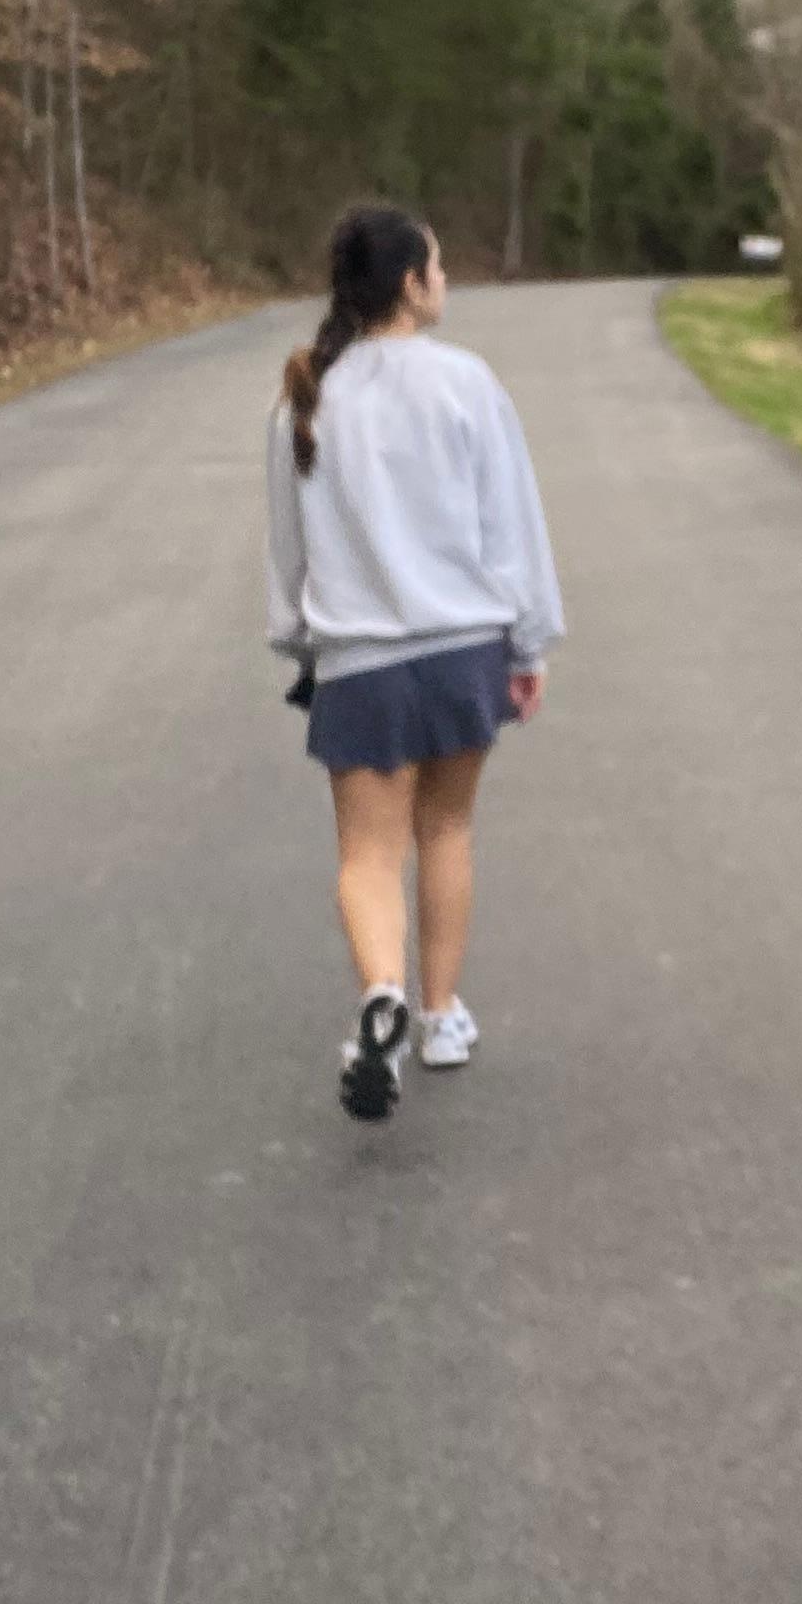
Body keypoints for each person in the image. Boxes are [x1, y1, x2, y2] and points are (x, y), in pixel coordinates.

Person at [266, 205, 563, 1126]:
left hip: (361, 661)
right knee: (447, 830)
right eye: (438, 264)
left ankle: (380, 997)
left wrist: (302, 646)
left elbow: (288, 553)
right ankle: (439, 1017)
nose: (445, 280)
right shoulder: (466, 383)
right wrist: (529, 641)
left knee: (366, 852)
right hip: (463, 647)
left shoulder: (307, 396)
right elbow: (510, 521)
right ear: (410, 282)